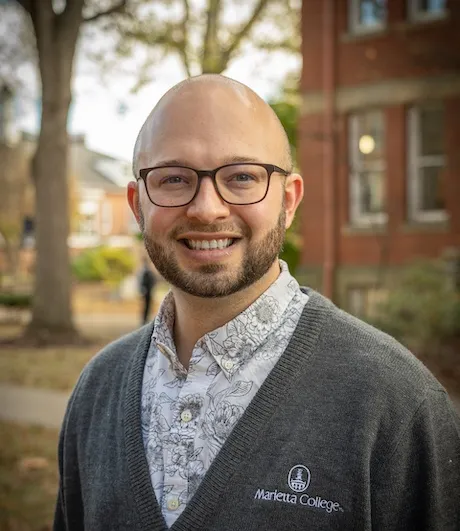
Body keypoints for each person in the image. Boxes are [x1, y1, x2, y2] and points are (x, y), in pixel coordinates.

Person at [53, 75, 460, 531]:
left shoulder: (395, 403)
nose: (207, 209)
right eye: (172, 178)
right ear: (137, 204)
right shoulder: (97, 390)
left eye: (242, 177)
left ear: (289, 201)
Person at [138, 257, 156, 324]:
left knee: (148, 306)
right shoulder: (146, 272)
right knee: (146, 306)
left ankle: (145, 319)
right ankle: (144, 319)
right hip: (147, 292)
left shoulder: (147, 272)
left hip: (148, 292)